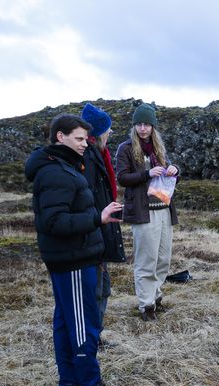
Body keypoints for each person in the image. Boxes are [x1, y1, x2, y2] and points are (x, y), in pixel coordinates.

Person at [24, 113, 130, 386]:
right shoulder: (55, 172)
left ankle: (69, 383)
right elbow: (55, 222)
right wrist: (98, 217)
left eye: (86, 139)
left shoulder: (61, 166)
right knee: (84, 323)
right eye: (79, 139)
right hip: (73, 260)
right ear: (61, 137)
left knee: (66, 321)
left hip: (73, 257)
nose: (85, 144)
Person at [116, 103, 179, 321]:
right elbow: (122, 178)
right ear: (134, 126)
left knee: (163, 259)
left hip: (164, 210)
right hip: (144, 212)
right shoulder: (125, 148)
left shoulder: (158, 148)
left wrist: (174, 170)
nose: (143, 128)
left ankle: (156, 296)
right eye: (139, 124)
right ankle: (146, 305)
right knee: (146, 260)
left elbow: (169, 172)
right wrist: (147, 174)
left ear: (153, 127)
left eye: (147, 124)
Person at [81, 103, 125, 341]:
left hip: (101, 232)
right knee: (95, 290)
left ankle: (95, 336)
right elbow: (87, 198)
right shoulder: (88, 158)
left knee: (103, 288)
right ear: (97, 133)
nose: (110, 133)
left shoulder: (99, 155)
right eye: (107, 129)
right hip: (93, 235)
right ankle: (89, 339)